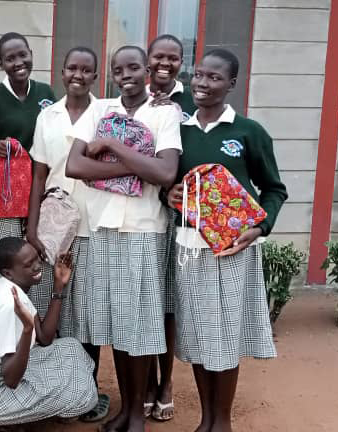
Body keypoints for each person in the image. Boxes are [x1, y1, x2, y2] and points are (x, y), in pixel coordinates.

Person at [167, 48, 287, 432]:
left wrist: (259, 228)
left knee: (225, 338)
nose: (202, 83)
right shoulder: (178, 130)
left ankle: (222, 421)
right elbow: (168, 182)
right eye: (198, 75)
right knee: (200, 337)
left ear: (231, 84)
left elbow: (273, 189)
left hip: (232, 251)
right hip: (189, 249)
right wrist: (166, 196)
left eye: (214, 78)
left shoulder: (248, 133)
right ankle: (206, 418)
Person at [66, 45, 181, 432]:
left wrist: (113, 147)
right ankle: (127, 409)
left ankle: (137, 415)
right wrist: (135, 166)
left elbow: (165, 172)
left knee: (142, 326)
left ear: (147, 69)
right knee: (116, 325)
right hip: (102, 228)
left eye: (134, 66)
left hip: (144, 230)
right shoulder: (99, 110)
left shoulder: (165, 112)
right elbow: (75, 165)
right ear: (112, 74)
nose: (126, 74)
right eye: (119, 68)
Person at [25, 46, 110, 423]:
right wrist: (31, 224)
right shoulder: (48, 116)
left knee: (86, 311)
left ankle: (87, 391)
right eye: (71, 67)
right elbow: (39, 174)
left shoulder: (107, 113)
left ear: (95, 76)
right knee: (52, 307)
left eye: (86, 69)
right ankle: (55, 388)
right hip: (56, 226)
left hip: (95, 222)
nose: (78, 74)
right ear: (61, 72)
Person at [0, 237, 97, 429]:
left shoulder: (9, 287)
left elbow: (45, 338)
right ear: (8, 273)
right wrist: (27, 330)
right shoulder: (9, 305)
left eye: (37, 259)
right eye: (28, 264)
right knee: (76, 392)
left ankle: (2, 420)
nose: (37, 266)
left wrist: (59, 286)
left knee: (70, 348)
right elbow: (11, 379)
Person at [0, 31, 57, 307]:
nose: (18, 62)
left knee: (39, 263)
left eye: (22, 55)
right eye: (10, 58)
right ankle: (3, 325)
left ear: (31, 54)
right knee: (7, 266)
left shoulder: (45, 93)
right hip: (3, 200)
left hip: (41, 194)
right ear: (0, 64)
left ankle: (38, 329)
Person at [143, 33, 196, 423]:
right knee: (147, 304)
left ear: (181, 62)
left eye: (173, 58)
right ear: (147, 61)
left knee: (169, 309)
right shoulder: (131, 98)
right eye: (159, 56)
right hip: (144, 217)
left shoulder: (194, 102)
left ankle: (165, 383)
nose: (165, 63)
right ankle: (146, 382)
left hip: (179, 222)